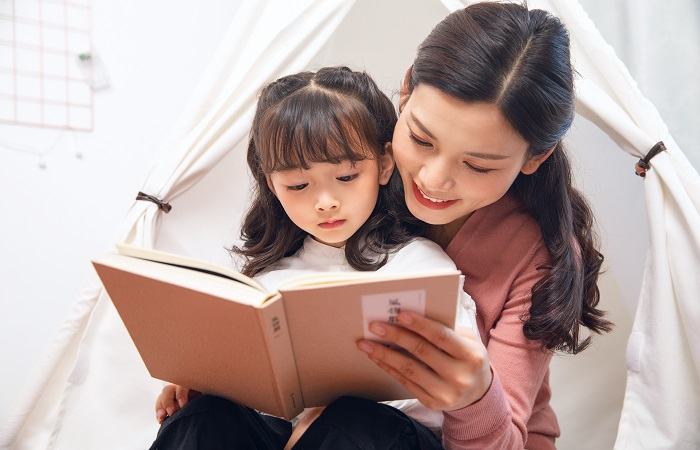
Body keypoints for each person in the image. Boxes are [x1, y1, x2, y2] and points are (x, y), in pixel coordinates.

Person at [150, 66, 477, 450]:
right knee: (205, 418)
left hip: (385, 436)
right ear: (271, 184)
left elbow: (453, 397)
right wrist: (204, 384)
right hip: (288, 435)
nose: (325, 202)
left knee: (349, 423)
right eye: (299, 185)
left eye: (346, 177)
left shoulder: (421, 266)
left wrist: (326, 413)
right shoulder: (266, 283)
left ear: (384, 164)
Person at [350, 2, 613, 449]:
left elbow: (506, 436)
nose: (433, 179)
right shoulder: (352, 174)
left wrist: (474, 398)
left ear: (535, 157)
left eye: (477, 165)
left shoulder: (537, 255)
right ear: (405, 91)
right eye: (420, 139)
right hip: (328, 423)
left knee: (357, 428)